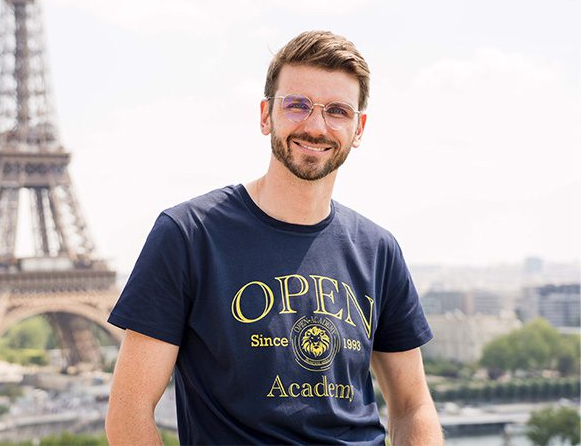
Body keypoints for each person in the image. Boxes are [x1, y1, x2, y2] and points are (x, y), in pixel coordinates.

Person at [105, 30, 442, 445]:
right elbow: (128, 415)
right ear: (266, 115)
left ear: (358, 128)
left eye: (337, 111)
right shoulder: (188, 235)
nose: (316, 126)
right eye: (297, 105)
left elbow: (413, 406)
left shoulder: (379, 249)